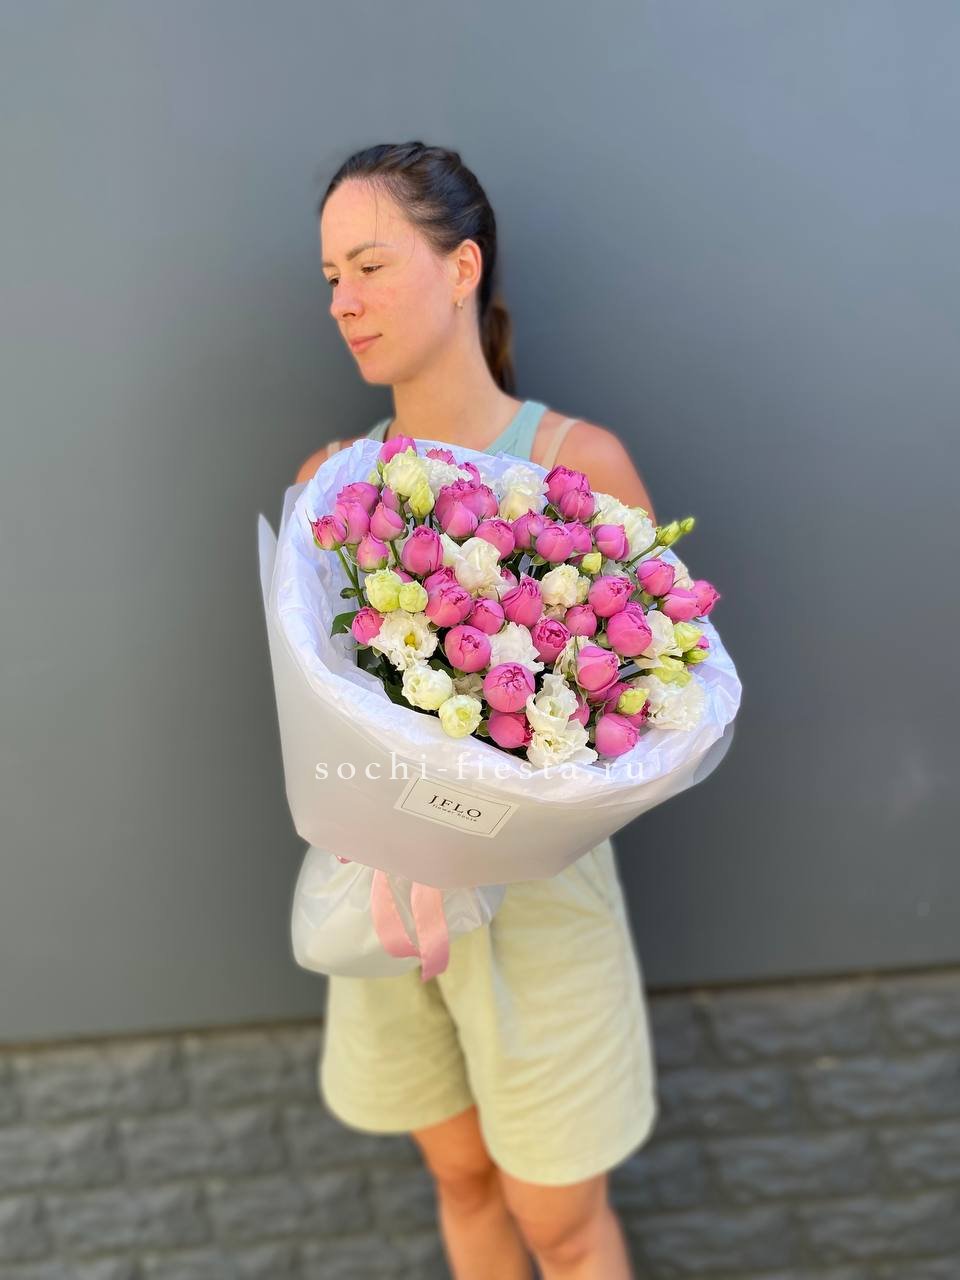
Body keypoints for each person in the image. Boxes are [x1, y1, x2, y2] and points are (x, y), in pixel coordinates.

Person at [297, 141, 660, 1280]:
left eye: (369, 267)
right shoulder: (329, 481)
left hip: (541, 913)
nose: (344, 302)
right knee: (460, 1180)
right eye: (330, 278)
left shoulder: (575, 463)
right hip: (385, 904)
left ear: (461, 268)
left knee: (561, 1225)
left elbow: (654, 704)